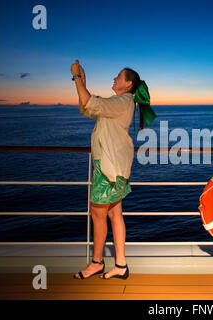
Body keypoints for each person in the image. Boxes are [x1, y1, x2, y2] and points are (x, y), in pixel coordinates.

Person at [70, 60, 154, 280]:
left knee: (98, 214)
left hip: (106, 167)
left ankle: (97, 263)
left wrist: (77, 78)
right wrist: (83, 82)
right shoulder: (121, 103)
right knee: (115, 213)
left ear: (127, 84)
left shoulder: (121, 102)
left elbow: (88, 101)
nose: (114, 78)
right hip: (115, 165)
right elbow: (85, 108)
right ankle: (121, 265)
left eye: (118, 76)